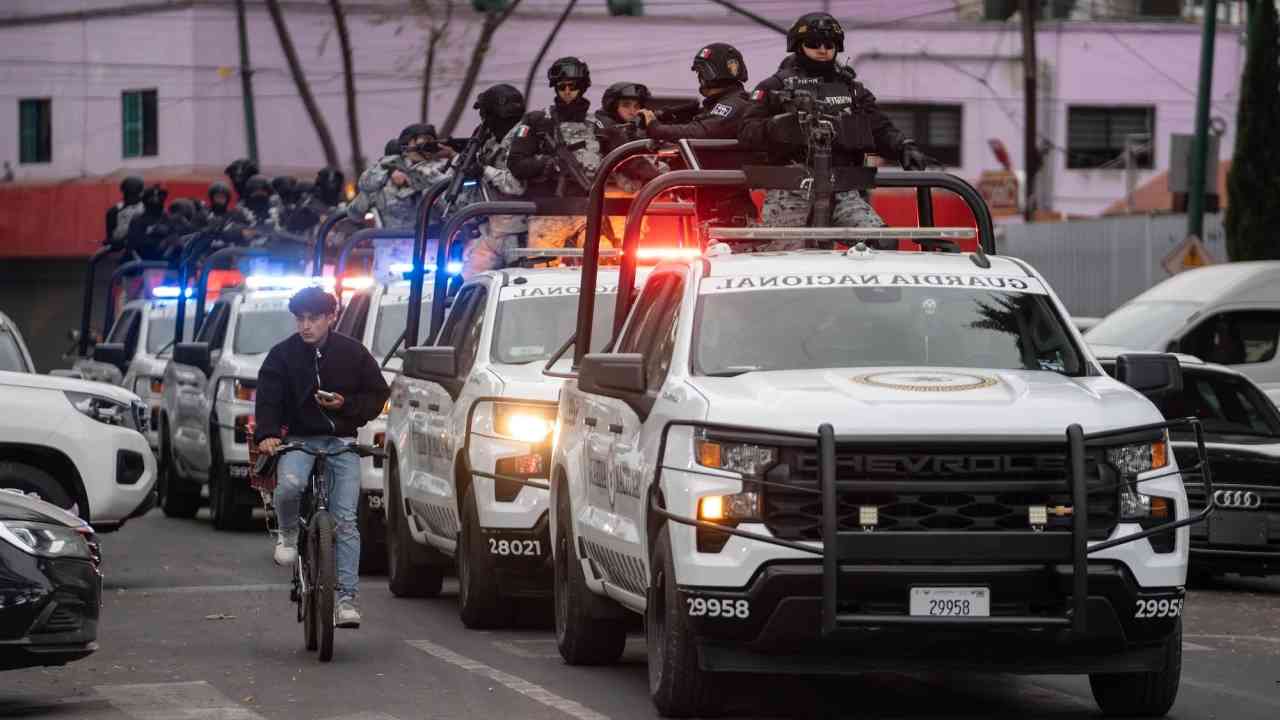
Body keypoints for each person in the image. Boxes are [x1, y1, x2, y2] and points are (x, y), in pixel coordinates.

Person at [254, 286, 390, 628]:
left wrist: (347, 405)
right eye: (300, 318)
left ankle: (346, 600)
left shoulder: (354, 353)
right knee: (289, 486)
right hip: (299, 441)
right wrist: (268, 434)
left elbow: (378, 395)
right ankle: (287, 534)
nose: (306, 325)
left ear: (331, 317)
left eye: (313, 318)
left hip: (342, 442)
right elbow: (268, 398)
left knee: (345, 521)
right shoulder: (281, 356)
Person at [738, 13, 928, 237]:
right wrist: (778, 127)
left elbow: (879, 127)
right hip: (790, 189)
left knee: (881, 242)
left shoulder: (852, 90)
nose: (822, 50)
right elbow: (746, 130)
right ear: (798, 46)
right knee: (783, 257)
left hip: (843, 188)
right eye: (813, 44)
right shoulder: (774, 87)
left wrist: (903, 147)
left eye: (829, 44)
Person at [635, 43, 759, 228]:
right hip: (717, 206)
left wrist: (655, 126)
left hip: (729, 211)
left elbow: (701, 132)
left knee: (725, 255)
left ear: (708, 74)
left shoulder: (733, 105)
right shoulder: (723, 105)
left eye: (700, 72)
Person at [507, 56, 604, 253]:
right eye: (562, 87)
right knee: (543, 271)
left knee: (604, 266)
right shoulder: (537, 121)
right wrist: (547, 164)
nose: (567, 92)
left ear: (583, 87)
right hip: (549, 211)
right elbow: (516, 162)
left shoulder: (598, 125)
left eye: (573, 86)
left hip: (589, 211)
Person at [460, 83, 530, 275]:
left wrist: (484, 170)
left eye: (485, 114)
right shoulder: (489, 143)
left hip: (522, 232)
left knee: (519, 284)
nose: (483, 120)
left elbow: (518, 185)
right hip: (493, 230)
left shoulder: (525, 140)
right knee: (466, 282)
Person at [107, 176, 146, 247]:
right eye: (130, 193)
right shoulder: (114, 210)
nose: (131, 197)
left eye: (133, 193)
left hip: (140, 246)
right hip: (120, 247)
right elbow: (110, 236)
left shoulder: (146, 208)